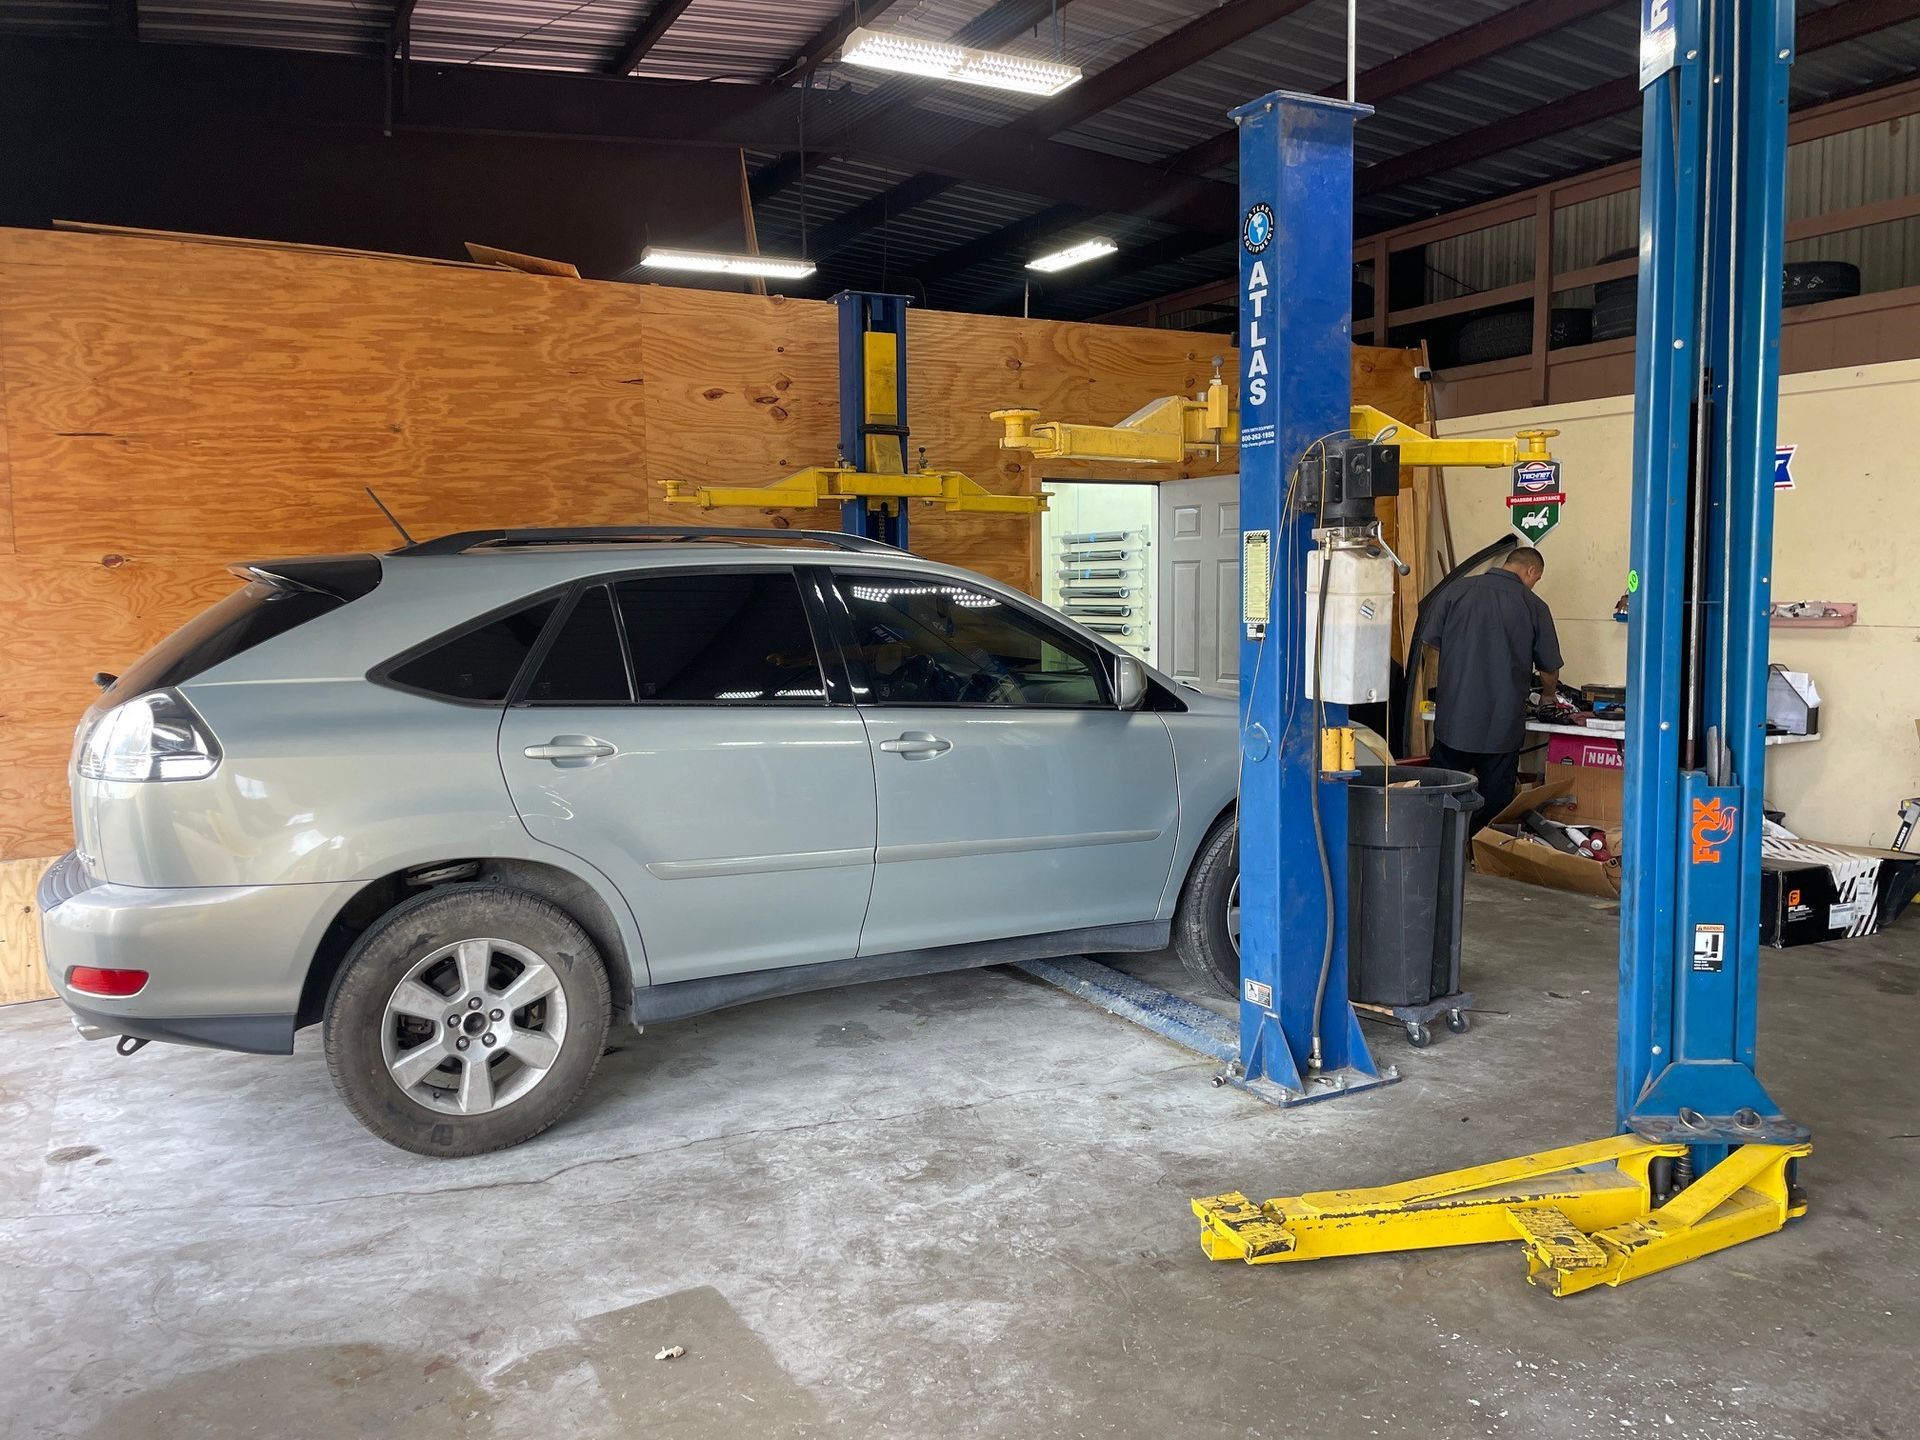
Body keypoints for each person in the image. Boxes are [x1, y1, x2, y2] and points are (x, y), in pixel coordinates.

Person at [1422, 546, 1563, 835]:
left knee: (1444, 787)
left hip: (1454, 719)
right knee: (1495, 798)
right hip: (1501, 725)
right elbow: (1549, 668)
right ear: (1531, 571)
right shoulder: (1534, 605)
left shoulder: (1455, 591)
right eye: (1536, 578)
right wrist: (1549, 695)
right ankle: (1481, 849)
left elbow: (1433, 643)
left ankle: (1441, 849)